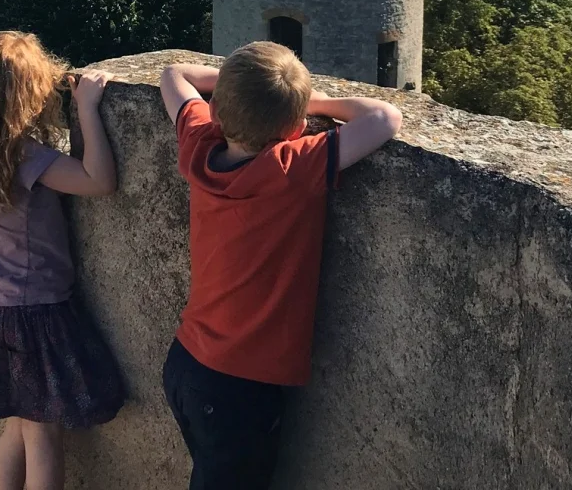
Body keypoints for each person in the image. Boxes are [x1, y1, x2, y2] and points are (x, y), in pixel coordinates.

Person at [160, 40, 403, 490]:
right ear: (296, 125)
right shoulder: (291, 167)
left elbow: (174, 74)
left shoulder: (198, 144)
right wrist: (307, 99)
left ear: (219, 111)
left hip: (188, 363)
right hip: (240, 387)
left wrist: (246, 93)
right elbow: (386, 116)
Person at [0, 30, 125, 490]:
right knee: (43, 434)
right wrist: (86, 108)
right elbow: (99, 181)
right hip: (34, 314)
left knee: (17, 425)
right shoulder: (28, 157)